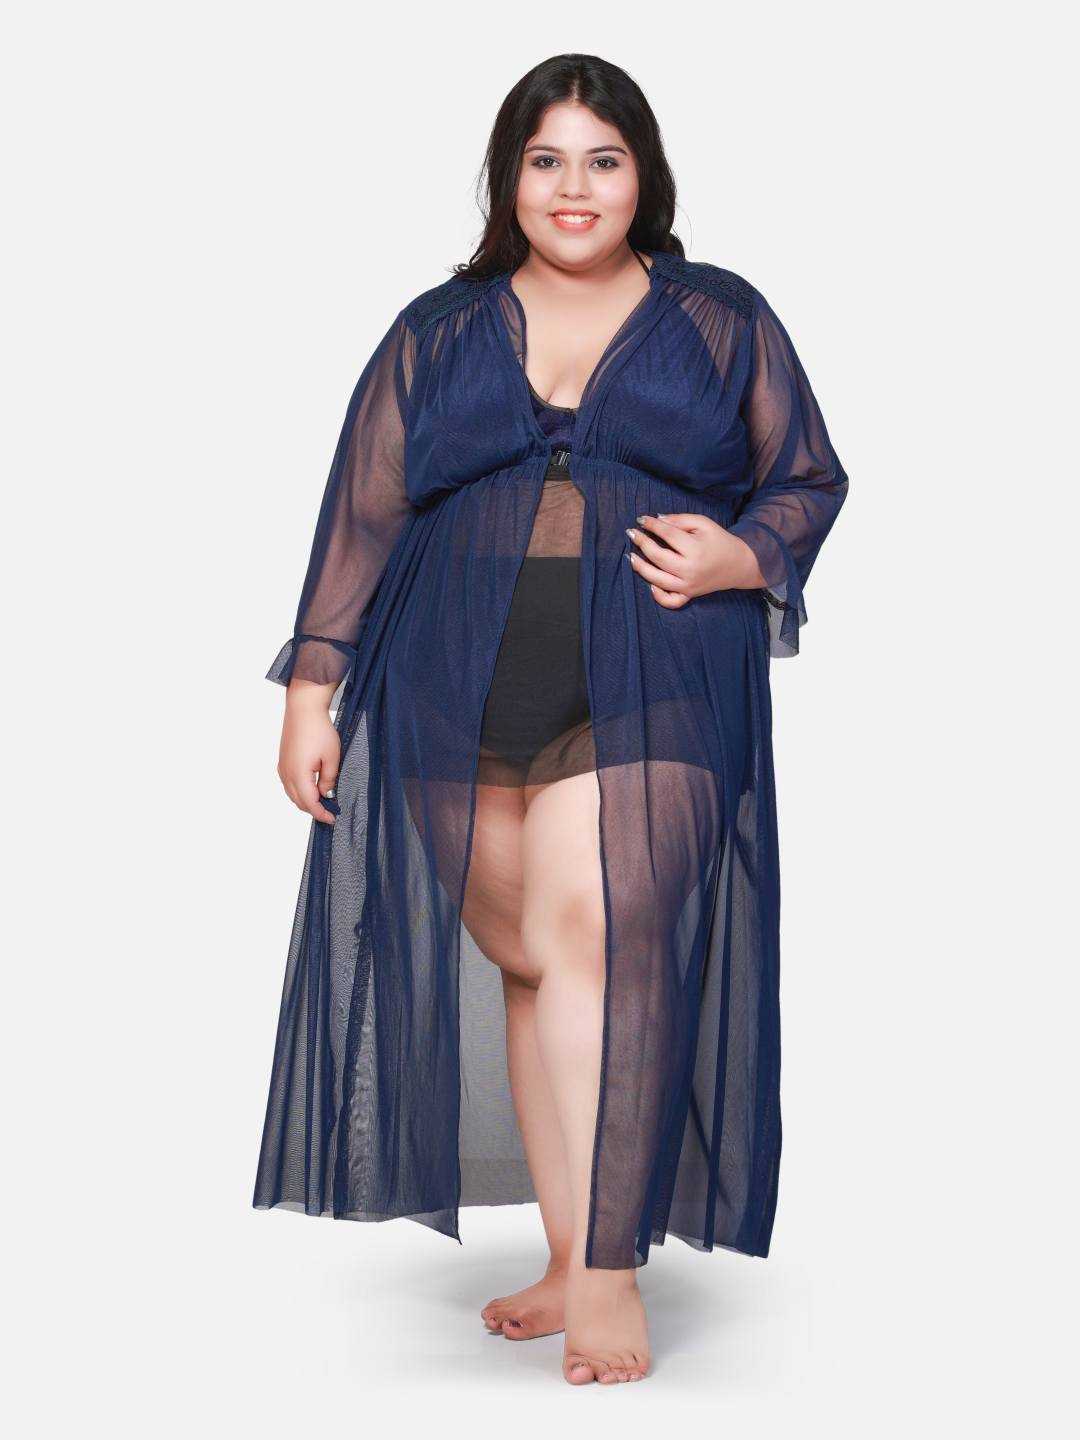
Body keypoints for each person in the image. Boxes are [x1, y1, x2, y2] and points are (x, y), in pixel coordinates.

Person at [255, 53, 849, 1387]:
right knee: (528, 956)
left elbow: (806, 476)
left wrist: (743, 554)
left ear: (644, 178)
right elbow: (363, 511)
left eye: (602, 160)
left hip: (656, 671)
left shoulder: (718, 317)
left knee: (601, 932)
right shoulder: (438, 328)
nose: (573, 187)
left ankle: (611, 1269)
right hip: (451, 675)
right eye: (546, 160)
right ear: (508, 179)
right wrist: (311, 691)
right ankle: (570, 1243)